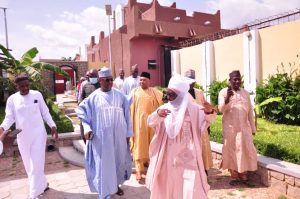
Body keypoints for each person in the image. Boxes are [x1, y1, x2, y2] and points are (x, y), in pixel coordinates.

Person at [146, 76, 214, 199]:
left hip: (188, 154)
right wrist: (157, 115)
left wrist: (209, 112)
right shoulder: (164, 108)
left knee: (190, 183)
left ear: (181, 95)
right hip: (168, 154)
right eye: (168, 94)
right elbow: (150, 121)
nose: (169, 97)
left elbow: (207, 120)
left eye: (172, 95)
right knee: (169, 182)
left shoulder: (194, 109)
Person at [76, 67, 133, 199]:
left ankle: (116, 185)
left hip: (119, 137)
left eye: (111, 80)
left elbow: (127, 116)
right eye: (106, 80)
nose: (109, 82)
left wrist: (128, 134)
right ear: (100, 81)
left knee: (118, 161)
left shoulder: (120, 95)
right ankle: (105, 191)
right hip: (101, 139)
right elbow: (81, 112)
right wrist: (87, 128)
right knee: (104, 164)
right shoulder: (93, 97)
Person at [0, 75, 58, 199]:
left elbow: (45, 112)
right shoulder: (12, 99)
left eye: (27, 85)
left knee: (36, 163)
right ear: (17, 87)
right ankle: (42, 184)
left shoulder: (37, 95)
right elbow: (9, 117)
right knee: (28, 165)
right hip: (22, 136)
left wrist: (53, 126)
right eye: (22, 86)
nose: (25, 88)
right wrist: (2, 128)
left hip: (38, 134)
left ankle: (34, 194)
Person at [218, 70, 257, 185]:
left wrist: (253, 128)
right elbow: (221, 109)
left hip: (244, 127)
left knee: (244, 149)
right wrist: (227, 99)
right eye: (234, 79)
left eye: (238, 79)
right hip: (230, 128)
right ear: (229, 80)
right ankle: (234, 174)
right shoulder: (224, 92)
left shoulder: (245, 93)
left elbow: (249, 112)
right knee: (231, 150)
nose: (237, 81)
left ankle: (243, 174)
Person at [129, 71, 163, 183]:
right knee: (139, 145)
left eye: (144, 80)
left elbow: (164, 100)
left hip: (152, 124)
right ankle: (139, 170)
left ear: (149, 81)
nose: (141, 82)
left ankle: (148, 162)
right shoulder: (134, 92)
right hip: (139, 125)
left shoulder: (155, 92)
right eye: (140, 80)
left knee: (151, 144)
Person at [184, 69, 215, 174]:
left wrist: (208, 124)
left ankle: (203, 171)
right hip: (188, 128)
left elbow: (205, 107)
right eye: (188, 80)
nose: (191, 83)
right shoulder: (181, 94)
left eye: (192, 81)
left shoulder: (199, 92)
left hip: (201, 126)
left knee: (203, 148)